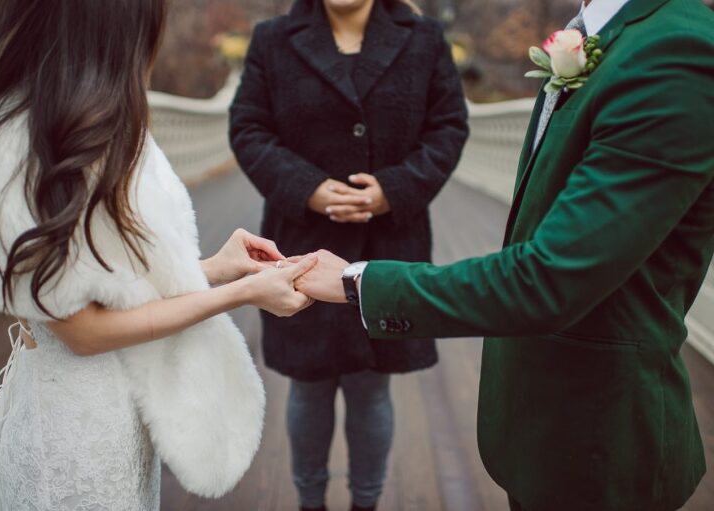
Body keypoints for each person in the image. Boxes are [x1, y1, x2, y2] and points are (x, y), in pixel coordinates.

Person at [293, 0, 714, 510]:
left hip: (602, 441)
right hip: (546, 426)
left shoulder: (677, 53)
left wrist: (359, 281)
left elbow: (549, 278)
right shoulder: (606, 31)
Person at [0, 1, 317, 509]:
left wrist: (216, 268)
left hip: (120, 417)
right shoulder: (25, 145)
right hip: (73, 443)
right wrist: (242, 292)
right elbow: (83, 331)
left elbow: (103, 292)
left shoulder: (83, 121)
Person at [229, 0, 468, 509]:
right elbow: (248, 129)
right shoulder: (273, 39)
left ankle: (366, 503)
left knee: (371, 386)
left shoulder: (423, 38)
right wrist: (307, 187)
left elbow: (448, 128)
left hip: (388, 242)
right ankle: (309, 502)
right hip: (299, 245)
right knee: (309, 384)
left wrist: (394, 188)